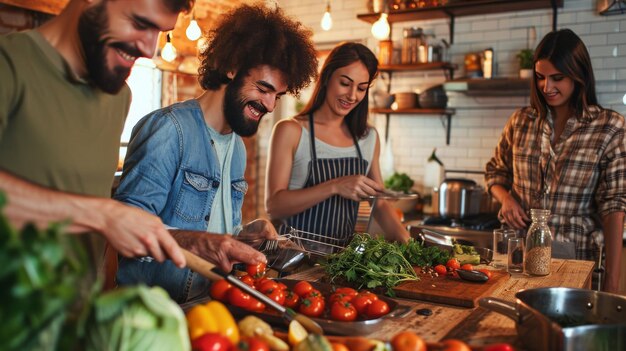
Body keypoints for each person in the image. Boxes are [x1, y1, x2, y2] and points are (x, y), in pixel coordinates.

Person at [114, 3, 319, 303]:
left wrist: (243, 235)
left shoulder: (236, 146)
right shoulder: (170, 130)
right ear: (232, 66)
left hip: (210, 307)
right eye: (263, 88)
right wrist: (198, 242)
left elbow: (211, 226)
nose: (271, 106)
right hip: (152, 311)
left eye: (277, 95)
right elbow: (125, 226)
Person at [485, 29, 625, 292]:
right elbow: (495, 172)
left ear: (579, 75)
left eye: (557, 78)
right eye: (540, 77)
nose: (546, 87)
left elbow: (614, 206)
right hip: (518, 258)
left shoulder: (609, 127)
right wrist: (506, 198)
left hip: (575, 257)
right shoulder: (521, 121)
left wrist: (612, 281)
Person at [265, 42, 410, 255]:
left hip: (341, 263)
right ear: (327, 77)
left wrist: (408, 244)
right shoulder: (291, 130)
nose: (352, 96)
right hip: (292, 260)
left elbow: (378, 204)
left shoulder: (368, 137)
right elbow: (274, 206)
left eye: (361, 88)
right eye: (345, 83)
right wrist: (335, 186)